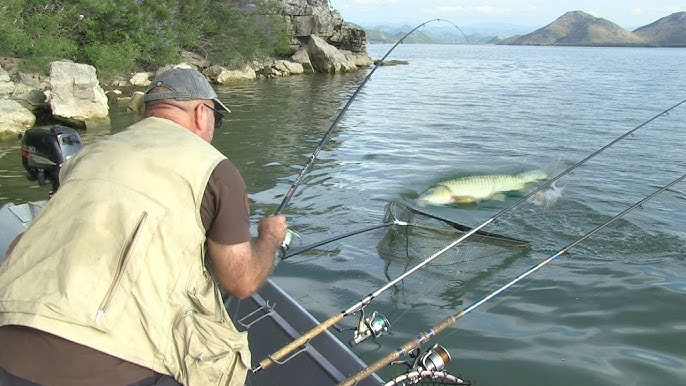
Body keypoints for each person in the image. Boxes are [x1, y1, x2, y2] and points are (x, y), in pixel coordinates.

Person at [0, 68, 288, 386]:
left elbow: (20, 247)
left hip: (10, 342)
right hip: (113, 367)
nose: (213, 128)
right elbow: (241, 281)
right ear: (201, 112)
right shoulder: (214, 168)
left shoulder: (86, 155)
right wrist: (269, 238)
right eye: (215, 120)